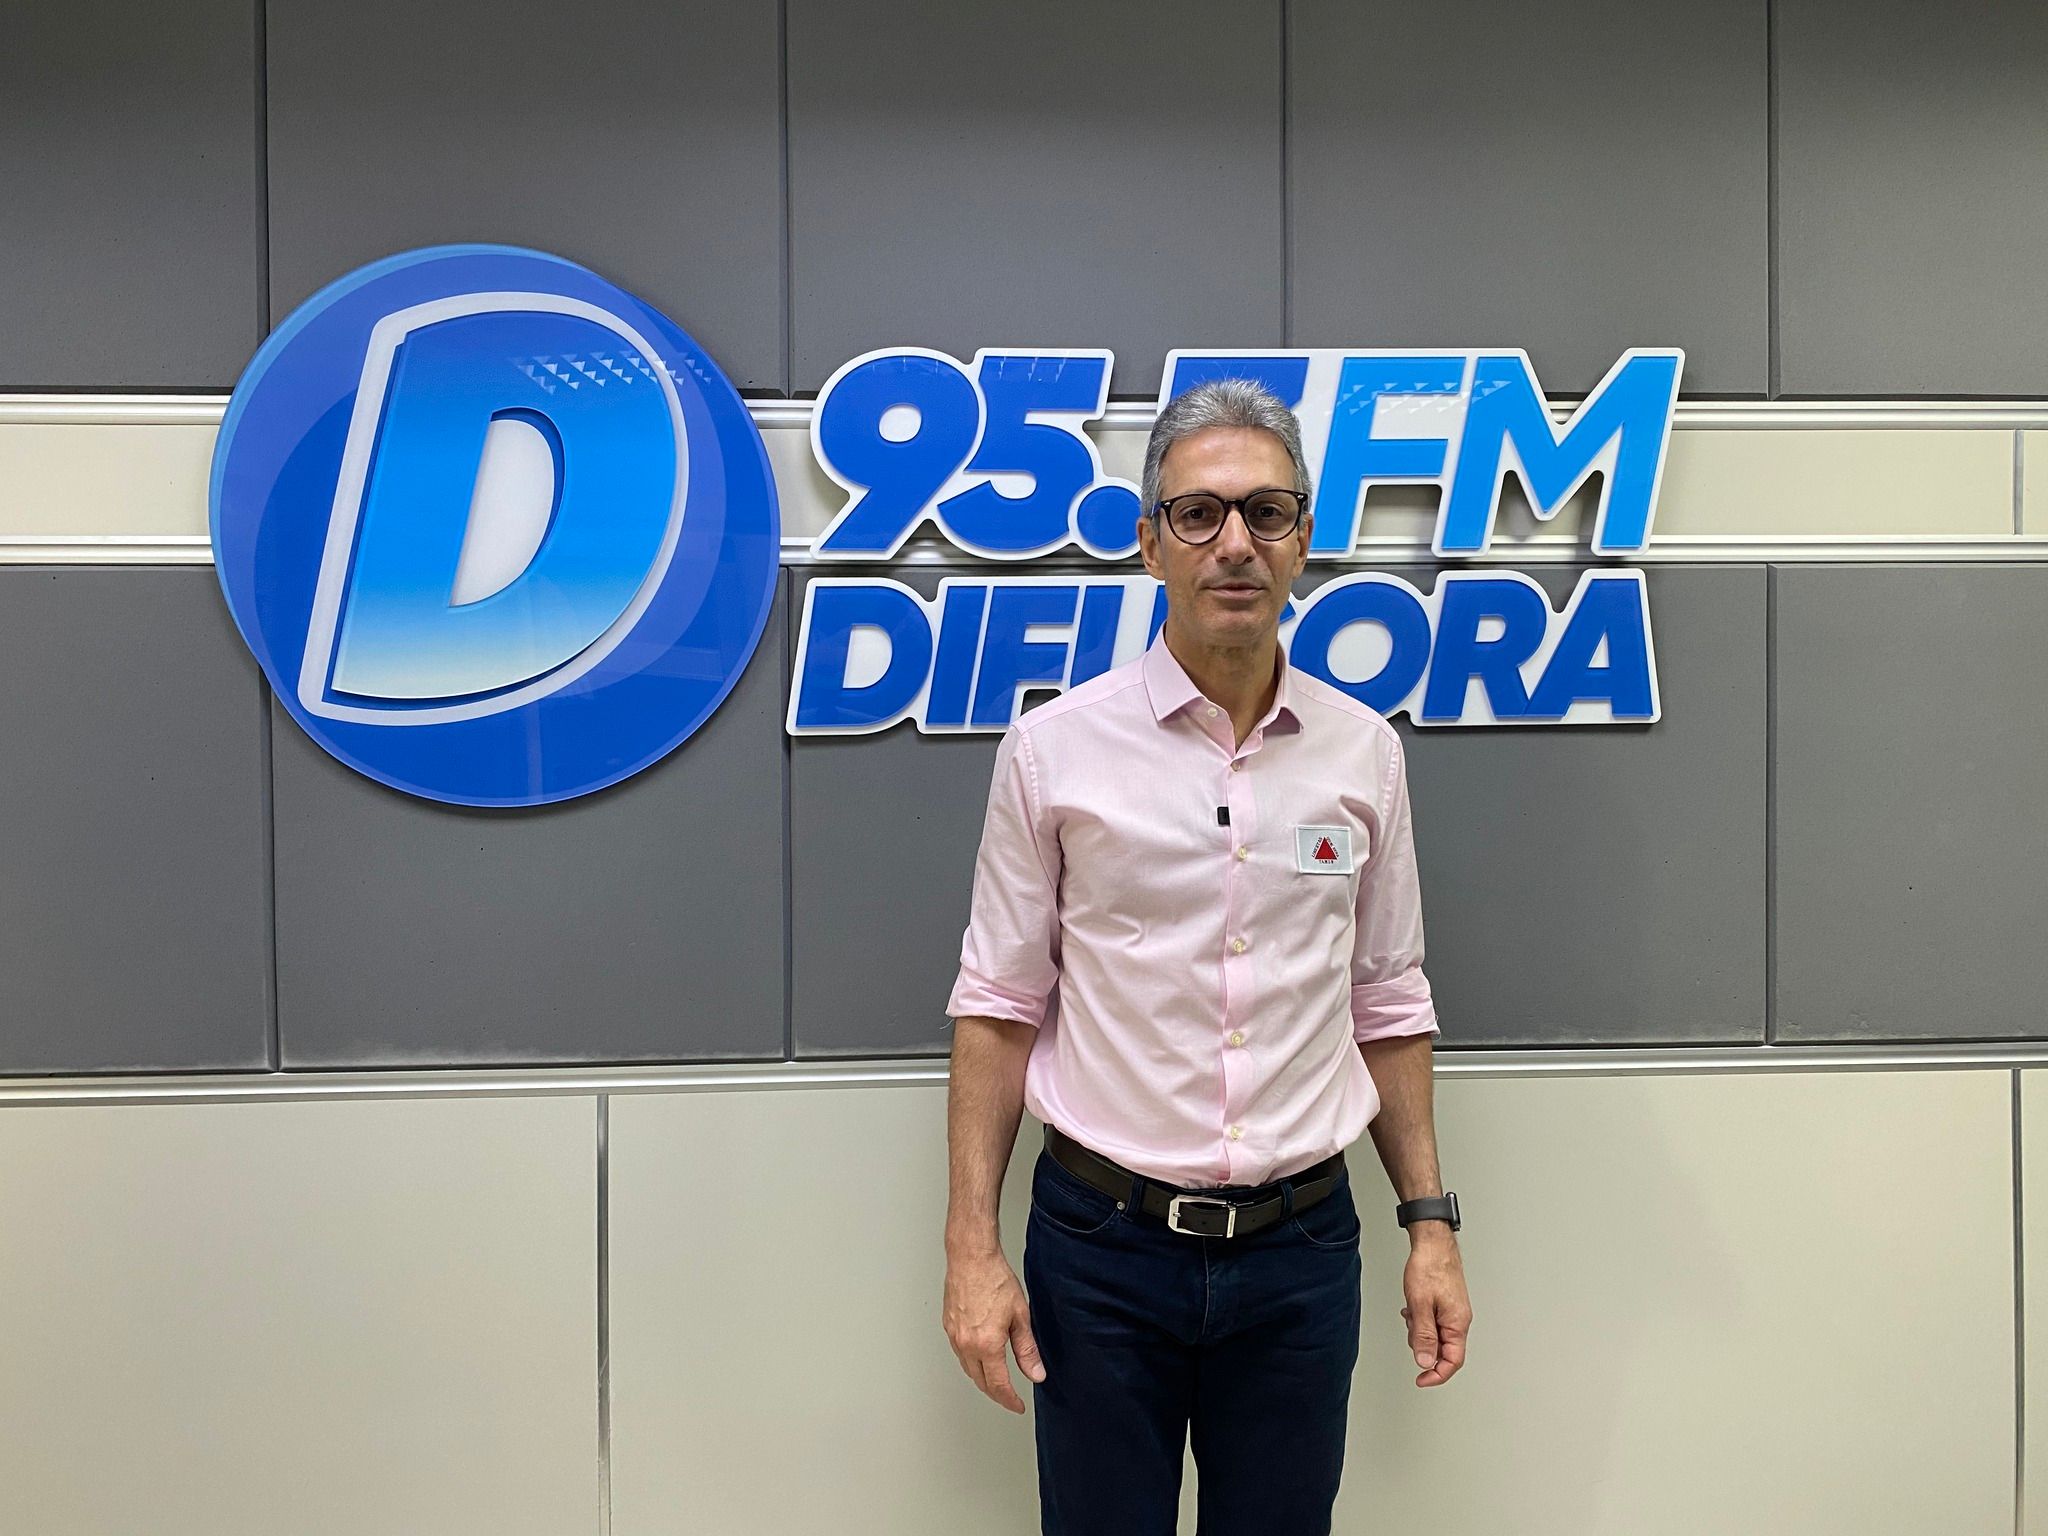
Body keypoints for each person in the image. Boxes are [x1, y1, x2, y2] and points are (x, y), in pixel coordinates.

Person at [939, 378, 1472, 1534]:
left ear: (1301, 540)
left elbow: (1387, 1001)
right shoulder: (1052, 752)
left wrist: (1427, 1223)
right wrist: (970, 1246)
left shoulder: (1361, 754)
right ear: (1149, 543)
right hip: (1100, 1253)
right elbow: (997, 1004)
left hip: (1300, 1255)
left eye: (1264, 513)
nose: (1234, 544)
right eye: (1198, 515)